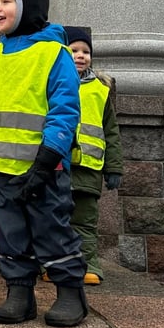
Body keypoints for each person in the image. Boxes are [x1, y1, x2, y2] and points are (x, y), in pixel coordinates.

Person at [0, 0, 88, 327]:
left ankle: (70, 293)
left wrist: (49, 157)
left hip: (43, 168)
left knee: (51, 230)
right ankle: (19, 293)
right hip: (3, 167)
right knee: (10, 234)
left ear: (30, 7)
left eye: (6, 1)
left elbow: (65, 110)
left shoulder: (54, 53)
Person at [64, 25, 123, 284]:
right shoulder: (52, 82)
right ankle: (53, 264)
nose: (80, 55)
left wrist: (114, 167)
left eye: (86, 52)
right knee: (54, 219)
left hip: (89, 169)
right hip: (58, 165)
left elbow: (111, 132)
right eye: (74, 50)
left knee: (85, 222)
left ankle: (88, 265)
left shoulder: (100, 90)